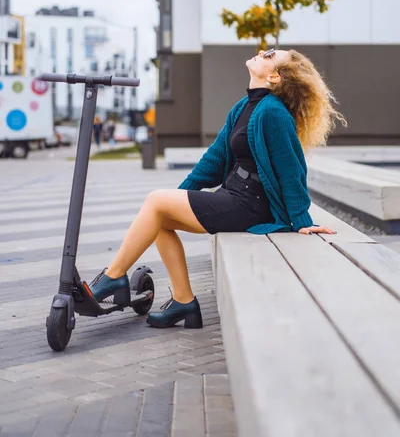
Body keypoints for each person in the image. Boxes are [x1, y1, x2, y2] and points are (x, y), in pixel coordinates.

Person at [90, 48, 346, 329]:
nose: (262, 51)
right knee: (159, 217)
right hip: (235, 198)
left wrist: (301, 220)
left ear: (274, 76)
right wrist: (179, 195)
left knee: (156, 203)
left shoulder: (273, 113)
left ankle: (113, 277)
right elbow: (215, 159)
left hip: (251, 206)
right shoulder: (243, 107)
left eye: (271, 54)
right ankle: (184, 302)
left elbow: (292, 169)